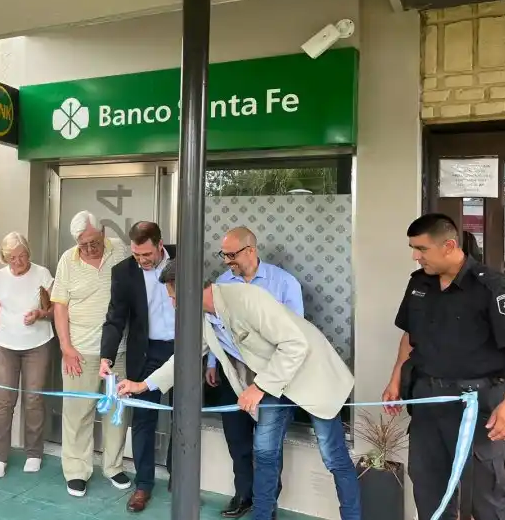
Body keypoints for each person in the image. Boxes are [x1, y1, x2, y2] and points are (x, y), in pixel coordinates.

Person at [118, 260, 359, 520]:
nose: (173, 304)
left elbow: (295, 344)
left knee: (334, 457)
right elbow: (184, 358)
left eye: (174, 297)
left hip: (311, 375)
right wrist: (143, 385)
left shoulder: (247, 299)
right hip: (274, 383)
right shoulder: (203, 318)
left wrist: (258, 387)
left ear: (189, 289)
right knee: (265, 454)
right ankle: (262, 516)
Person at [382, 213, 505, 520]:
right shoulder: (420, 284)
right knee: (428, 489)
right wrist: (396, 377)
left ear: (449, 246)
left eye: (422, 249)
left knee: (487, 497)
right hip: (427, 402)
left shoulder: (492, 288)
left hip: (475, 406)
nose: (415, 256)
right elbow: (410, 337)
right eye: (413, 248)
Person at [207, 227, 299, 518]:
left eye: (232, 255)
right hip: (233, 371)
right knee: (237, 438)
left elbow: (297, 333)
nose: (227, 261)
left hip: (270, 375)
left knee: (267, 447)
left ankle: (266, 503)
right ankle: (243, 494)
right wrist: (212, 363)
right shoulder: (223, 283)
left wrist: (270, 379)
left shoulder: (283, 283)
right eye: (224, 255)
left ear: (251, 250)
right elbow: (217, 329)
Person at [52, 210, 131, 497]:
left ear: (103, 233)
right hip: (80, 352)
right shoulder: (67, 260)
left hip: (118, 350)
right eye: (82, 244)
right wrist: (66, 347)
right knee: (77, 414)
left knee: (117, 412)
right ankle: (76, 470)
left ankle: (114, 466)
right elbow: (59, 306)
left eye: (93, 243)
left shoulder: (120, 250)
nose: (88, 249)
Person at [99, 221, 176, 512]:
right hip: (146, 352)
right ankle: (143, 485)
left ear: (160, 245)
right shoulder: (123, 272)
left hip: (185, 349)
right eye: (136, 254)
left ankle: (180, 476)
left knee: (183, 416)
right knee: (143, 419)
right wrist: (106, 357)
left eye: (147, 254)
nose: (141, 260)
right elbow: (115, 318)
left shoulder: (184, 258)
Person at [0, 232, 55, 478]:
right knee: (3, 401)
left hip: (38, 345)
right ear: (5, 258)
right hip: (5, 346)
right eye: (12, 258)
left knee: (33, 399)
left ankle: (34, 453)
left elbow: (55, 308)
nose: (18, 262)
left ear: (28, 253)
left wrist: (40, 314)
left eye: (22, 256)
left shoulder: (42, 274)